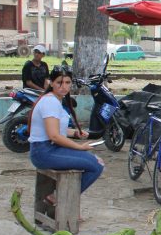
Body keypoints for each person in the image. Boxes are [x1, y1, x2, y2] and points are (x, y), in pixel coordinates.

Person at [28, 66, 104, 197]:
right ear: (51, 83)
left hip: (50, 149)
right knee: (97, 165)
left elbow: (57, 130)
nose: (64, 86)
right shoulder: (50, 102)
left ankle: (63, 199)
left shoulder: (55, 100)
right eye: (59, 82)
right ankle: (59, 197)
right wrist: (79, 147)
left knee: (96, 162)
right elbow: (54, 136)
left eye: (67, 82)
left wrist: (75, 133)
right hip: (44, 152)